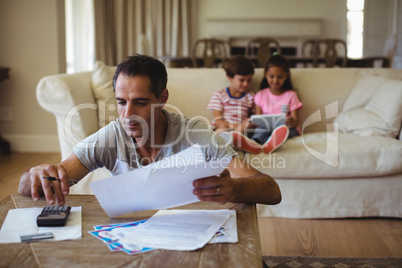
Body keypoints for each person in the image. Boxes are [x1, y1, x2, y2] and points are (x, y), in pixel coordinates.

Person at [18, 54, 281, 207]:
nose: (128, 113)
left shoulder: (194, 134)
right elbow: (37, 186)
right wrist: (35, 174)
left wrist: (234, 190)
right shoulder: (112, 135)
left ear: (162, 97)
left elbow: (271, 190)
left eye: (141, 102)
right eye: (121, 102)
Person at [206, 55, 261, 154]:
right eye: (242, 80)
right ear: (230, 77)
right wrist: (237, 126)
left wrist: (248, 124)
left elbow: (255, 118)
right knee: (221, 131)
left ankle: (239, 142)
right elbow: (218, 121)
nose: (246, 84)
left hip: (242, 131)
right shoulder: (220, 95)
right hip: (224, 127)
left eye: (249, 80)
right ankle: (236, 142)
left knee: (244, 133)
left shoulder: (251, 96)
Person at [251, 53, 303, 154]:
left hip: (285, 128)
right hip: (266, 127)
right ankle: (254, 143)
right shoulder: (260, 95)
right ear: (265, 74)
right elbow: (258, 118)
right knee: (262, 130)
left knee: (287, 131)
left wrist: (291, 121)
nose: (275, 80)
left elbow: (296, 121)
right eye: (272, 76)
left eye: (280, 77)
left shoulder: (291, 95)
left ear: (286, 76)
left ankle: (273, 142)